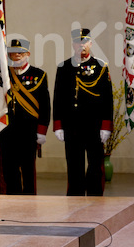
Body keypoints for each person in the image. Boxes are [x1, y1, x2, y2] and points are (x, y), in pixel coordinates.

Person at [53, 29, 113, 196]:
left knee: (95, 165)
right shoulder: (64, 67)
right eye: (78, 43)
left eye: (85, 42)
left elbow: (108, 98)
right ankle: (75, 200)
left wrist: (106, 126)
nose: (82, 46)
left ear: (90, 44)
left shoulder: (100, 67)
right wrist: (58, 125)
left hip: (94, 126)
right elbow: (58, 98)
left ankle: (95, 199)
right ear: (73, 45)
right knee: (74, 165)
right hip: (71, 126)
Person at [0, 38, 51, 195]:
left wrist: (41, 131)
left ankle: (29, 201)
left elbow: (45, 106)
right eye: (13, 53)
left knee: (28, 169)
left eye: (20, 52)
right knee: (9, 170)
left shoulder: (39, 75)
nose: (16, 56)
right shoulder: (3, 75)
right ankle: (12, 200)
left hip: (29, 131)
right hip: (7, 131)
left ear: (28, 53)